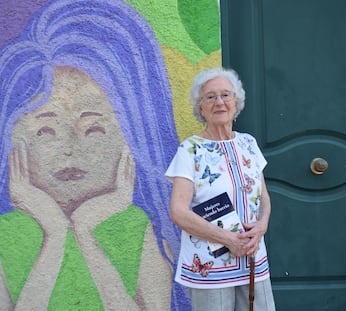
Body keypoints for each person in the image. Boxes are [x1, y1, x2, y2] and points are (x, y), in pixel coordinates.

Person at [0, 0, 188, 310]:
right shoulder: (7, 234)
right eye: (45, 131)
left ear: (128, 140)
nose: (70, 147)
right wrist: (56, 234)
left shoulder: (138, 229)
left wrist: (86, 232)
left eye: (94, 129)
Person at [165, 67, 276, 311]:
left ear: (236, 103)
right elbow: (178, 212)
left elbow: (263, 197)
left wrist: (262, 226)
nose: (219, 102)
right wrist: (228, 239)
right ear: (200, 107)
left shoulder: (248, 143)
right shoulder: (190, 150)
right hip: (209, 265)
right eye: (210, 97)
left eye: (226, 95)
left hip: (252, 259)